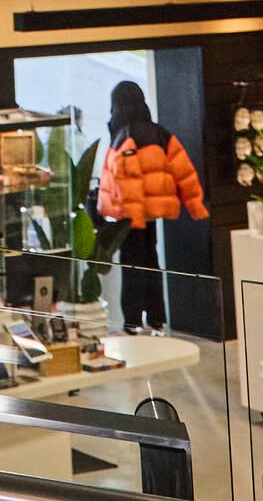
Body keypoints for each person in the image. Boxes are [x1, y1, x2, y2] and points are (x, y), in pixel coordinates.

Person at [95, 79, 207, 336]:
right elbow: (185, 172)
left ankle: (132, 321)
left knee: (132, 266)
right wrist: (196, 206)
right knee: (151, 261)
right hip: (152, 213)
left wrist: (120, 215)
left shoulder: (123, 136)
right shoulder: (160, 134)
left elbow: (126, 181)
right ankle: (156, 319)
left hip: (131, 217)